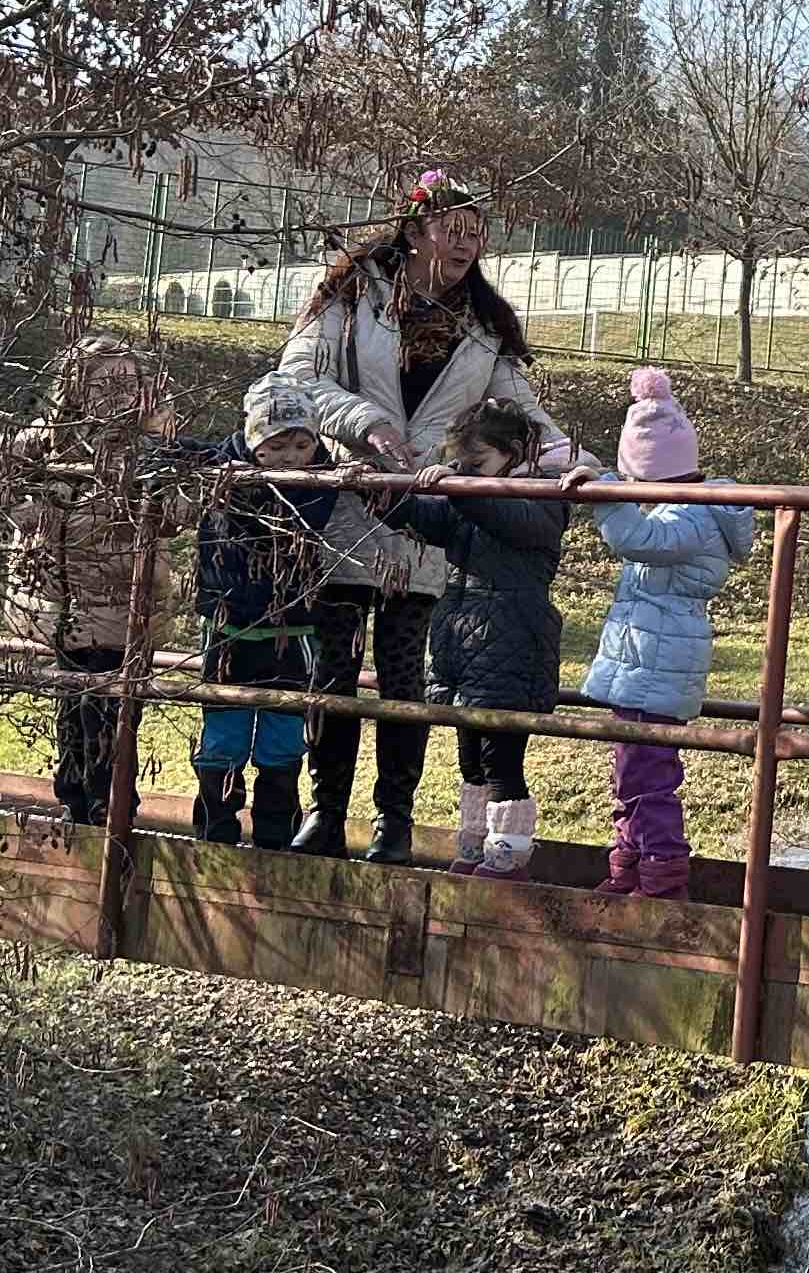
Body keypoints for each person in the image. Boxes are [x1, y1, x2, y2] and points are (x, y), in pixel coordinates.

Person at [276, 170, 576, 861]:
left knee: (405, 676)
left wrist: (582, 465)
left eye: (477, 233)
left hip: (428, 519)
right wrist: (366, 423)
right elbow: (297, 377)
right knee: (334, 671)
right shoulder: (351, 297)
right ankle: (326, 813)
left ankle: (394, 821)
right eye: (453, 229)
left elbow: (522, 412)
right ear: (415, 230)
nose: (467, 244)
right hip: (349, 508)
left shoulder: (483, 326)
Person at [0, 331, 187, 822]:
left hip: (124, 606)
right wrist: (20, 510)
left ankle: (111, 810)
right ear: (75, 389)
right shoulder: (50, 439)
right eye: (103, 385)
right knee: (71, 708)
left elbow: (179, 508)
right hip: (65, 605)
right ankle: (74, 802)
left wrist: (157, 462)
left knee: (111, 714)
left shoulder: (150, 445)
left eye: (128, 384)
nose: (118, 396)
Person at [582, 367, 758, 900]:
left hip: (658, 662)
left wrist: (604, 494)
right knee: (631, 770)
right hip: (647, 658)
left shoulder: (691, 516)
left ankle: (662, 877)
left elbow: (639, 540)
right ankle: (629, 867)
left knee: (648, 774)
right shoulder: (681, 509)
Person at [378, 397, 571, 877]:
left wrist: (461, 485)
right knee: (470, 760)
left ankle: (508, 857)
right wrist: (379, 491)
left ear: (514, 452)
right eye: (463, 462)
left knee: (501, 760)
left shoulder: (544, 495)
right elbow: (427, 519)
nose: (468, 471)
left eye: (477, 462)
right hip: (464, 644)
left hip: (513, 643)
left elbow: (510, 522)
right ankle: (474, 847)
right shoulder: (472, 499)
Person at [191, 375, 348, 849]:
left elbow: (304, 511)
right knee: (223, 732)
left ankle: (276, 834)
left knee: (283, 733)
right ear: (253, 442)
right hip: (229, 624)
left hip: (292, 625)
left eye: (301, 446)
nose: (290, 458)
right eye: (275, 447)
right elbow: (174, 454)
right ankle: (216, 829)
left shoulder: (319, 481)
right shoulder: (224, 468)